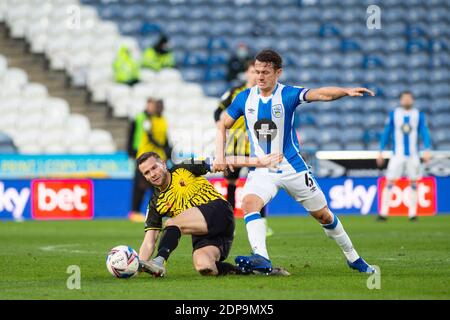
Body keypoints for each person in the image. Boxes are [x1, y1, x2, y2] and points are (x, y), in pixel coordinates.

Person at [214, 49, 377, 274]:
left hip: (293, 168)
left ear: (278, 72)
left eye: (266, 72)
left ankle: (353, 257)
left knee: (324, 215)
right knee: (249, 204)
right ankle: (261, 257)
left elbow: (321, 94)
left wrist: (345, 91)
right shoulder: (244, 97)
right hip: (263, 169)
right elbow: (222, 124)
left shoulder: (288, 94)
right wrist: (220, 155)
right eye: (257, 71)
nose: (260, 77)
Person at [136, 152, 282, 277]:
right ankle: (250, 271)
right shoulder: (155, 203)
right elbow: (149, 242)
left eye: (154, 167)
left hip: (218, 211)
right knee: (205, 266)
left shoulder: (183, 168)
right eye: (147, 173)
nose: (152, 174)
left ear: (163, 163)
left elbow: (222, 161)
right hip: (203, 231)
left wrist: (260, 162)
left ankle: (159, 261)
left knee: (172, 223)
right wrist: (136, 267)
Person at [214, 59, 273, 236]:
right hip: (235, 145)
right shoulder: (235, 92)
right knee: (231, 182)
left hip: (257, 146)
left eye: (259, 72)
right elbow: (218, 111)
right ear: (248, 73)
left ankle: (262, 222)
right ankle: (228, 221)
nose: (256, 75)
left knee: (261, 182)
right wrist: (220, 125)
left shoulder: (265, 94)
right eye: (253, 71)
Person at [376, 91, 432, 222]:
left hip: (413, 154)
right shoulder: (394, 114)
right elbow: (386, 133)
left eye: (409, 98)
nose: (407, 101)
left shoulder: (418, 115)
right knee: (390, 181)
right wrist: (380, 151)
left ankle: (412, 213)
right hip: (397, 155)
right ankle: (383, 213)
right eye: (404, 98)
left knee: (413, 182)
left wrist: (427, 149)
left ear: (412, 100)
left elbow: (424, 131)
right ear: (400, 100)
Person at [128, 98, 171, 222]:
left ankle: (158, 210)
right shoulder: (147, 120)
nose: (159, 108)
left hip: (158, 157)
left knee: (159, 185)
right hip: (145, 156)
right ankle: (134, 212)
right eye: (157, 106)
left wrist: (168, 148)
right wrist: (163, 147)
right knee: (141, 185)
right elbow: (150, 137)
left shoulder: (163, 120)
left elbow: (165, 137)